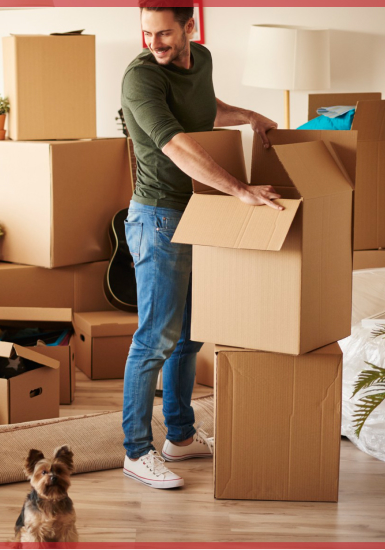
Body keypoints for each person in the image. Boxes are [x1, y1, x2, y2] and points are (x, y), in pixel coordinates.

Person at [119, 1, 283, 489]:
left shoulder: (203, 59)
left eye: (165, 33)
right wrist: (240, 190)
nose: (154, 44)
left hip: (197, 211)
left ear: (191, 26)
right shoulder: (141, 77)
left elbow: (203, 111)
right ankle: (136, 450)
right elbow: (176, 142)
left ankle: (181, 437)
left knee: (189, 336)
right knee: (155, 339)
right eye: (147, 34)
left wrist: (248, 115)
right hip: (159, 217)